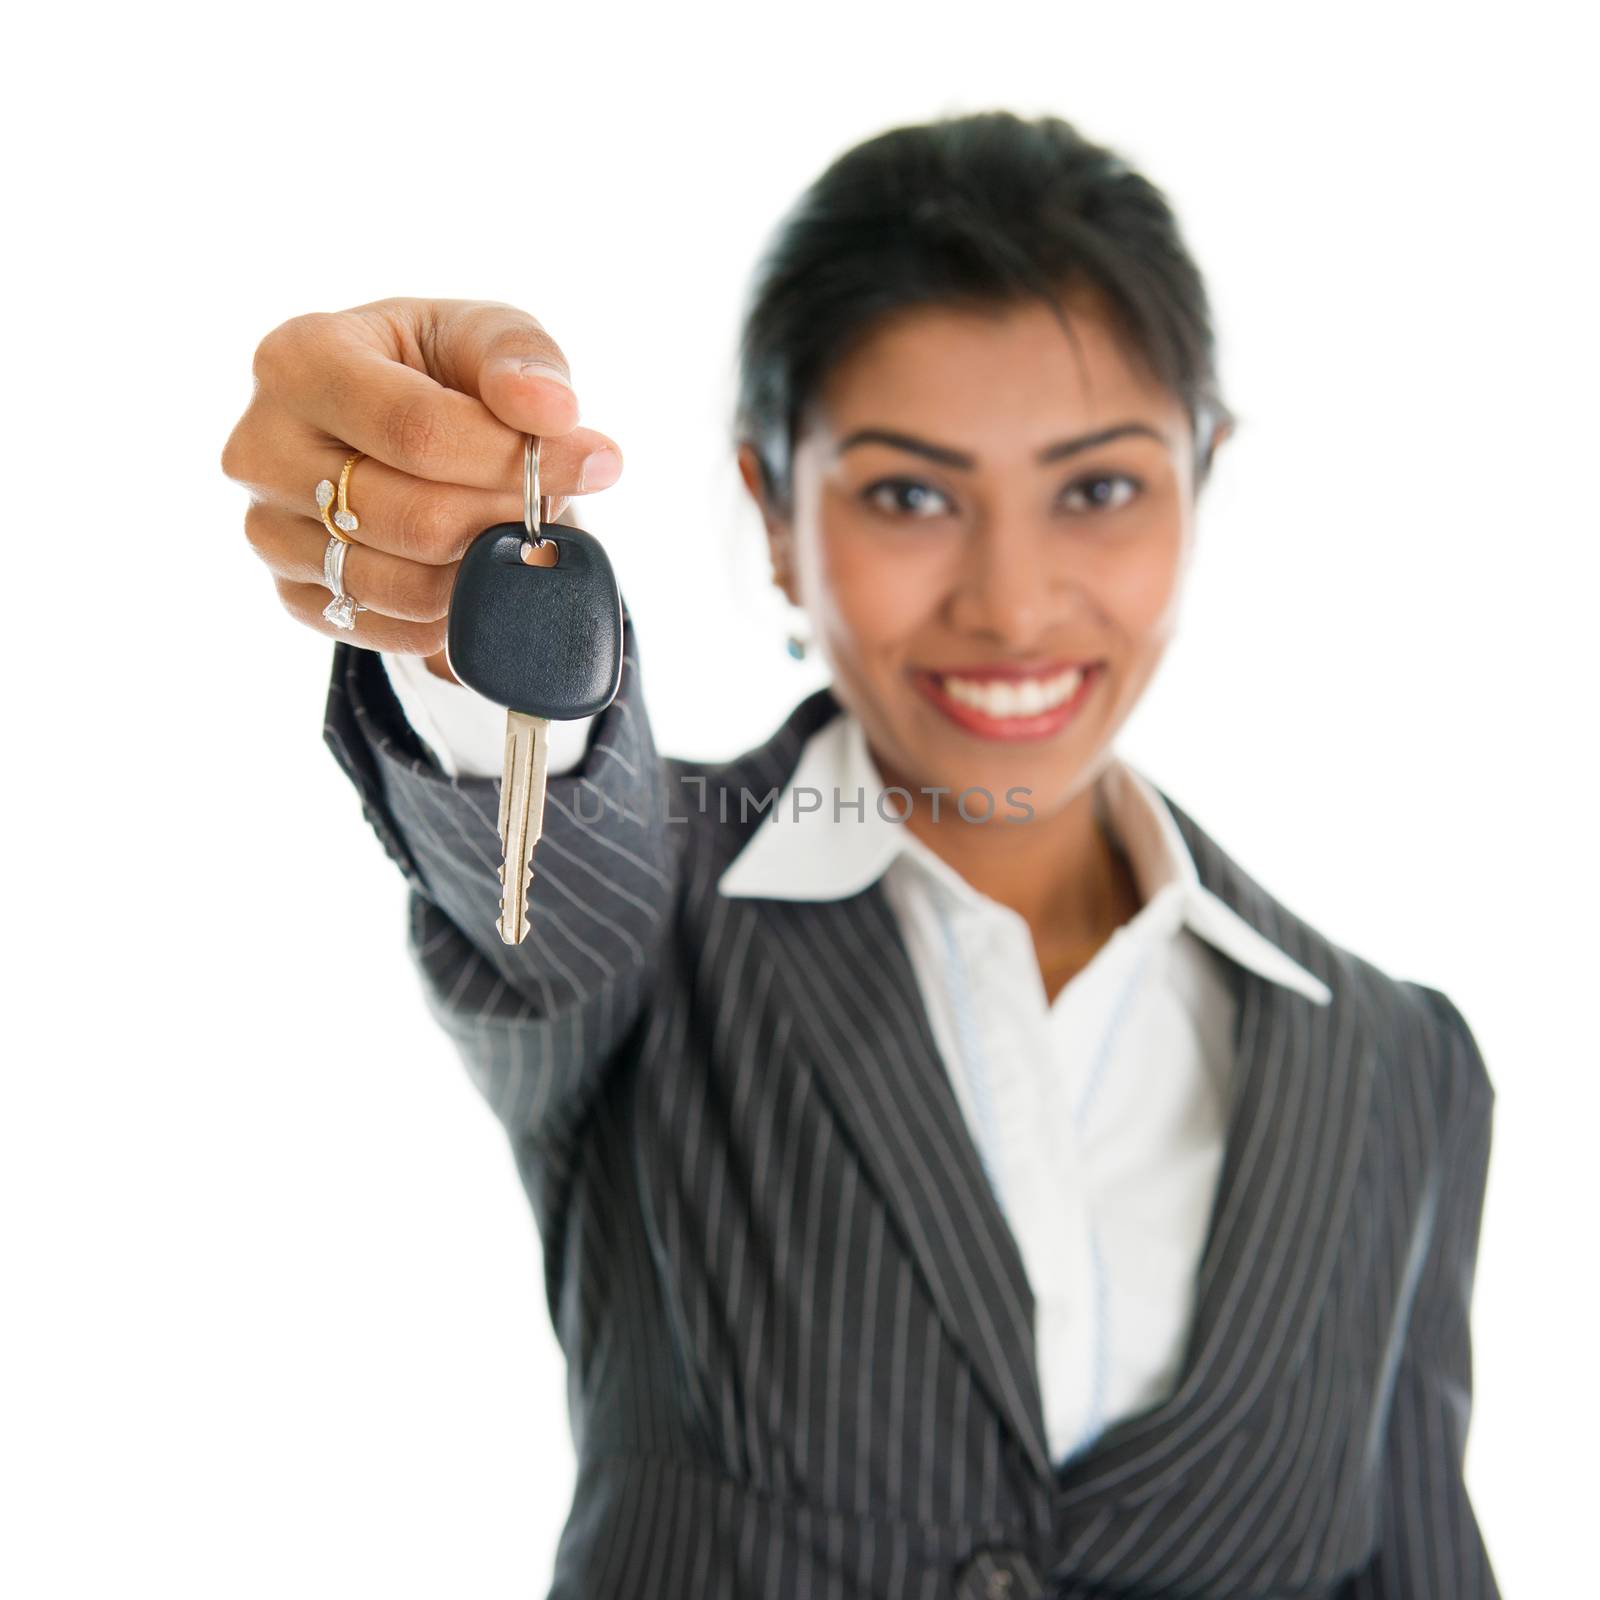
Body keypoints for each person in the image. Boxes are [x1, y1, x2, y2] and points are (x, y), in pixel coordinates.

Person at [222, 110, 1497, 1600]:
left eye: (1097, 488)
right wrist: (454, 594)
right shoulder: (663, 913)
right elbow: (552, 875)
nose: (1015, 605)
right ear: (771, 508)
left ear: (1200, 475)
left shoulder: (1402, 1067)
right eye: (907, 494)